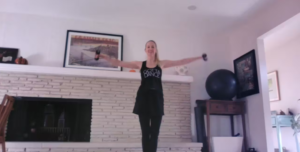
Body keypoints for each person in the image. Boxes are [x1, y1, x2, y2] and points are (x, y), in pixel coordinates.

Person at [100, 40, 205, 152]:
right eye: (148, 46)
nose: (150, 48)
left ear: (155, 50)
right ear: (145, 50)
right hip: (143, 100)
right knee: (145, 132)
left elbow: (181, 61)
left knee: (154, 133)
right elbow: (119, 63)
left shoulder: (161, 64)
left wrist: (199, 57)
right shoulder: (140, 64)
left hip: (157, 100)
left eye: (152, 47)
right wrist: (104, 57)